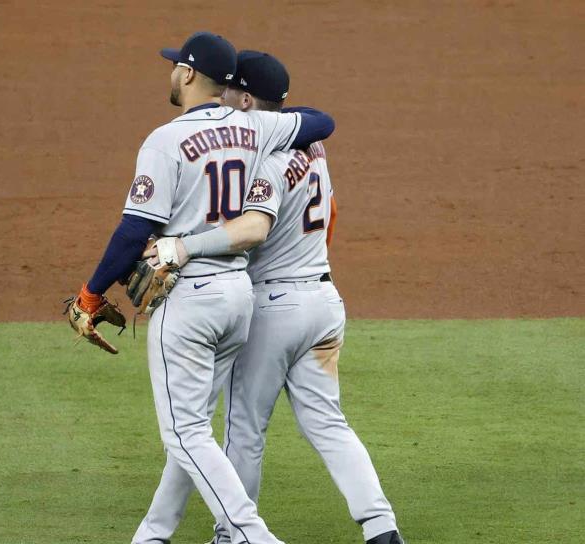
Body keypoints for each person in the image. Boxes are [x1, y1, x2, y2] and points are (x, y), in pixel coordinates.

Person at [63, 32, 335, 544]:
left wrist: (91, 293)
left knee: (185, 434)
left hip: (189, 301)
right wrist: (267, 118)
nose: (170, 73)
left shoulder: (165, 140)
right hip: (238, 299)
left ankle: (253, 537)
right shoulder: (257, 126)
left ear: (188, 75)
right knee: (193, 433)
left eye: (174, 66)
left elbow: (132, 232)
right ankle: (152, 534)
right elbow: (323, 121)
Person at [162, 51, 405, 544]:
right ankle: (382, 529)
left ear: (246, 99)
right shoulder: (314, 147)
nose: (221, 96)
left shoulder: (264, 159)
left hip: (274, 309)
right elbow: (331, 214)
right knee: (329, 423)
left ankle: (232, 537)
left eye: (230, 90)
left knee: (243, 428)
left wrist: (185, 249)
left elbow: (251, 230)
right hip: (324, 301)